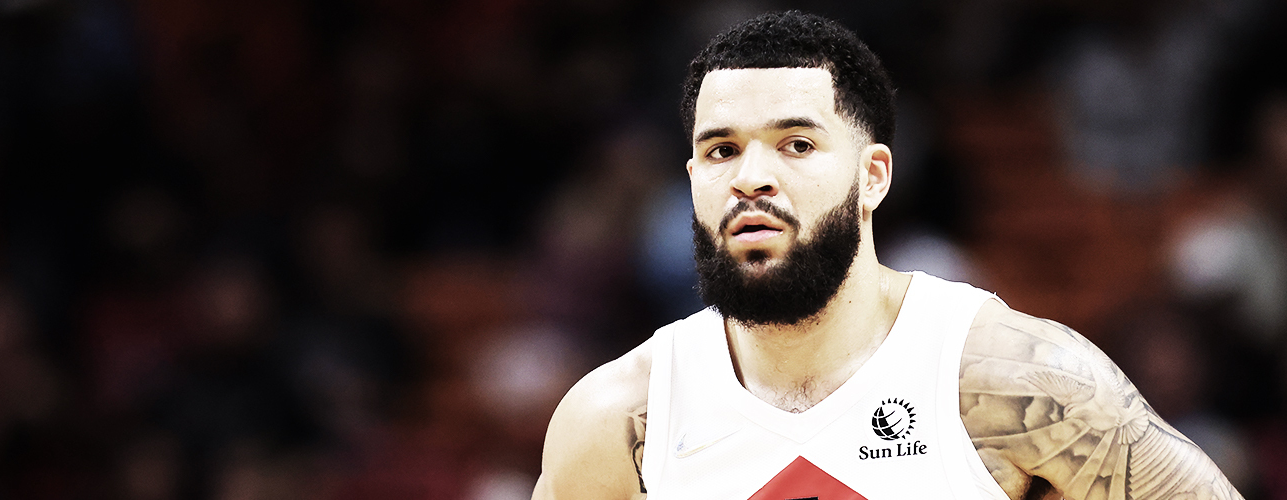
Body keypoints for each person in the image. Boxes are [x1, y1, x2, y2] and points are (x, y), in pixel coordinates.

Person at [532, 11, 1244, 499]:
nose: (750, 177)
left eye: (795, 144)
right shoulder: (616, 419)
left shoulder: (1022, 384)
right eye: (721, 150)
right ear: (693, 180)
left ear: (873, 176)